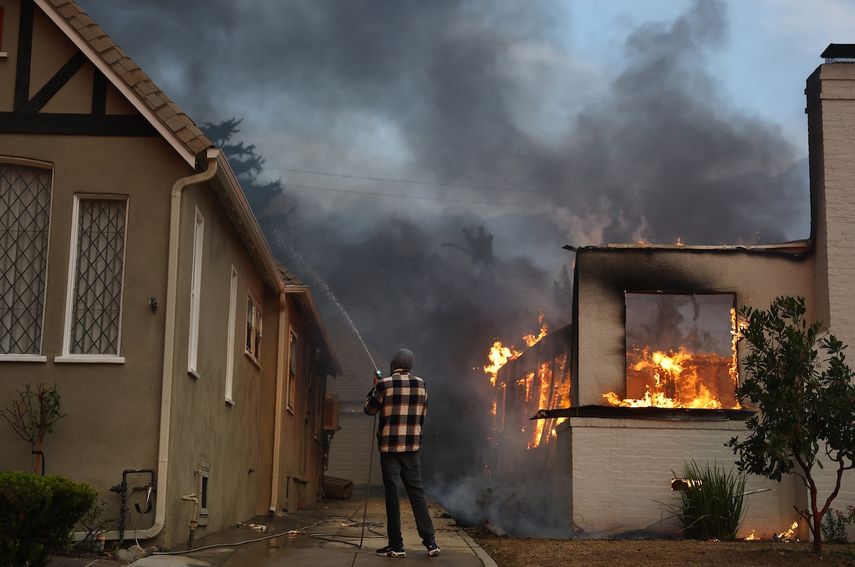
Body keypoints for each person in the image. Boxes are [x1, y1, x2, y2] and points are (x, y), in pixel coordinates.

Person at [364, 348, 440, 558]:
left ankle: (396, 546)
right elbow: (423, 415)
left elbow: (369, 409)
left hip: (389, 448)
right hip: (412, 447)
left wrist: (374, 389)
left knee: (392, 495)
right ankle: (431, 542)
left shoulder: (384, 384)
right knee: (416, 492)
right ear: (410, 365)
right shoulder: (422, 384)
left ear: (393, 363)